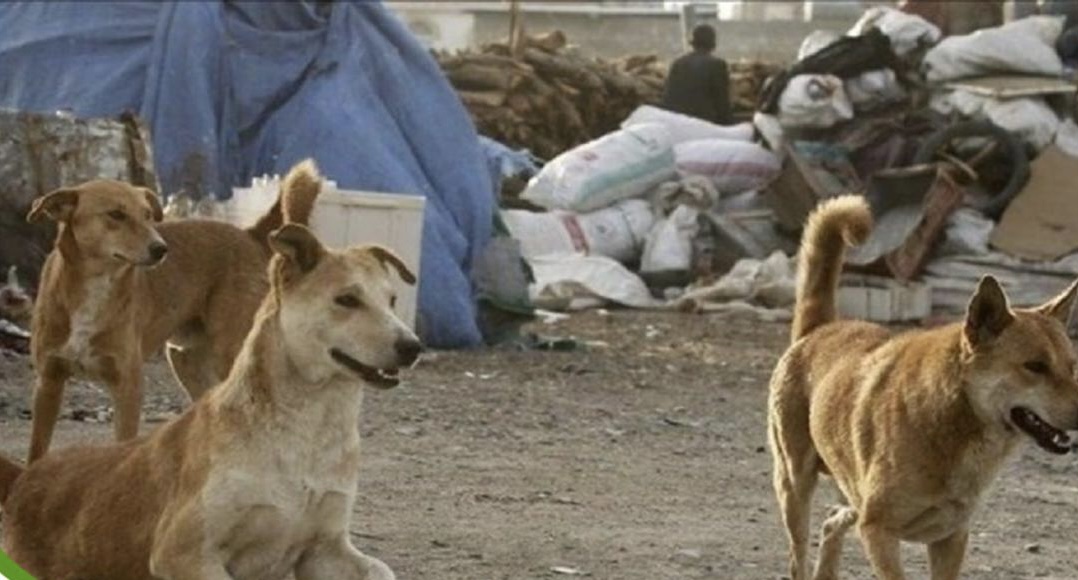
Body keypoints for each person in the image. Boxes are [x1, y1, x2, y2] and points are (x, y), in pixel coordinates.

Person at [661, 24, 732, 125]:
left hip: (676, 122)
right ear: (712, 44)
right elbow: (722, 103)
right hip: (704, 124)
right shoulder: (717, 65)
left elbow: (667, 98)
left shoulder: (678, 63)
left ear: (693, 44)